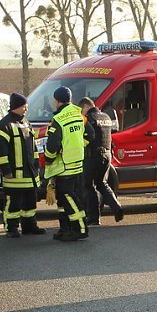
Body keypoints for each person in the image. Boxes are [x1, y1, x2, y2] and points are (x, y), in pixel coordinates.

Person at [0, 92, 46, 237]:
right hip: (14, 175)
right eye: (24, 106)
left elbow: (33, 147)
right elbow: (1, 152)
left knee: (30, 202)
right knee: (13, 203)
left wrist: (36, 165)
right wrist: (6, 170)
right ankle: (12, 228)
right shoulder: (4, 125)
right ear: (15, 107)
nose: (26, 108)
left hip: (30, 173)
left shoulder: (26, 122)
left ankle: (30, 226)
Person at [44, 86, 88, 241]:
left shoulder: (58, 119)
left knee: (68, 198)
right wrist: (79, 146)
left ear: (57, 101)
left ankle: (80, 229)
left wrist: (48, 159)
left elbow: (52, 146)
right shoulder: (79, 115)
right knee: (64, 199)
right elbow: (90, 135)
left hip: (65, 167)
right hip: (78, 164)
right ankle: (65, 229)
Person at [79, 97, 124, 225]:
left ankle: (94, 217)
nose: (82, 113)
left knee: (89, 186)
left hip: (93, 155)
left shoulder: (89, 119)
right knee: (102, 183)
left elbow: (88, 137)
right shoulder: (106, 117)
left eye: (82, 110)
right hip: (107, 154)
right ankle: (117, 208)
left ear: (85, 107)